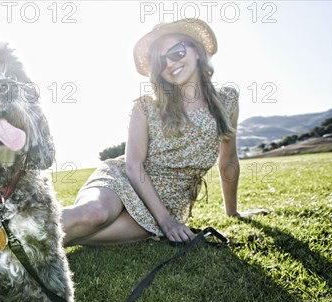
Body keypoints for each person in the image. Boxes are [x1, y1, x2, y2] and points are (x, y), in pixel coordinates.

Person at [61, 18, 267, 246]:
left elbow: (228, 159)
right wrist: (166, 221)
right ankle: (15, 228)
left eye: (176, 52)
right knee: (93, 216)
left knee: (80, 238)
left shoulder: (227, 100)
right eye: (160, 60)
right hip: (123, 182)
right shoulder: (145, 107)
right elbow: (133, 165)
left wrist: (233, 212)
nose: (169, 63)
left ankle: (19, 248)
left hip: (167, 202)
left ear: (196, 51)